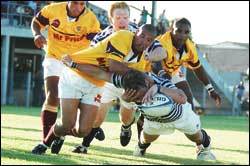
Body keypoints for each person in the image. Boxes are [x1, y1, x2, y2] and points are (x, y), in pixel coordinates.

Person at [32, 24, 158, 155]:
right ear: (136, 32)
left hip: (97, 83)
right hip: (75, 74)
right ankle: (45, 143)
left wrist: (131, 95)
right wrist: (140, 75)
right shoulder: (124, 36)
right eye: (142, 36)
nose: (143, 41)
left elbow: (104, 75)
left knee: (83, 131)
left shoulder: (143, 60)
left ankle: (60, 134)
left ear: (152, 43)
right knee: (66, 124)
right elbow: (113, 65)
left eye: (148, 40)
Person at [31, 1, 101, 154]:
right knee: (53, 96)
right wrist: (37, 34)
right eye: (75, 3)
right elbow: (36, 22)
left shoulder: (91, 20)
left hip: (75, 63)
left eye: (82, 4)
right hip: (54, 57)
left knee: (72, 106)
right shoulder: (53, 9)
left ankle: (61, 132)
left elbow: (97, 43)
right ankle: (47, 139)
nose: (78, 7)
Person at [71, 2, 141, 154]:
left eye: (125, 17)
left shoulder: (138, 33)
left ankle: (126, 127)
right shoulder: (101, 37)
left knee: (126, 117)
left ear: (130, 18)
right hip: (108, 80)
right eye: (118, 17)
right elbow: (91, 60)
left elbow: (153, 48)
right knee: (97, 117)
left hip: (131, 82)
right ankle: (84, 146)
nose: (122, 21)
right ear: (111, 20)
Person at [136, 18, 222, 140]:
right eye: (179, 31)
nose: (182, 35)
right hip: (152, 71)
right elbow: (156, 62)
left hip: (172, 72)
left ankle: (199, 141)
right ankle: (141, 142)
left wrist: (210, 89)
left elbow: (198, 68)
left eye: (186, 32)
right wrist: (163, 76)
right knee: (148, 107)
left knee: (189, 99)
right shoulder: (163, 41)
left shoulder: (190, 47)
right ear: (171, 30)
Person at [121, 70, 217, 161]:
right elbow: (107, 74)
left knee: (196, 137)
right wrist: (125, 101)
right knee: (146, 139)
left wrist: (159, 88)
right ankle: (140, 147)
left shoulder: (161, 83)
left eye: (142, 95)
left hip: (180, 115)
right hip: (154, 120)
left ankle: (205, 149)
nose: (141, 100)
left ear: (146, 84)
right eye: (137, 98)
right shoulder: (127, 86)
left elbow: (183, 99)